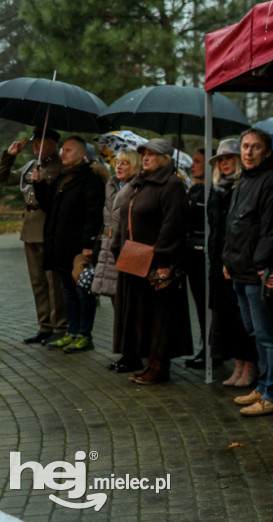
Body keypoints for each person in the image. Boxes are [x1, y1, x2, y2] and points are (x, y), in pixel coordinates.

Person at [223, 128, 273, 415]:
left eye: (255, 147)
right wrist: (228, 260)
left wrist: (260, 266)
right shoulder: (245, 179)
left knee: (267, 335)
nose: (248, 152)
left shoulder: (272, 181)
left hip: (257, 272)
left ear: (266, 151)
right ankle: (265, 386)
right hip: (240, 270)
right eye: (245, 146)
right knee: (255, 332)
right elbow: (236, 226)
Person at [110, 138, 193, 384]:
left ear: (166, 159)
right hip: (134, 258)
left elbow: (173, 226)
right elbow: (125, 217)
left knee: (160, 316)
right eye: (144, 154)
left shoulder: (172, 184)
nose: (145, 158)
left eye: (152, 155)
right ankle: (149, 363)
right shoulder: (140, 184)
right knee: (141, 314)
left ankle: (159, 365)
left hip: (157, 262)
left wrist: (163, 260)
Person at [31, 136, 106, 354]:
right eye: (62, 149)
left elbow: (93, 213)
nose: (63, 153)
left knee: (82, 290)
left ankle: (84, 335)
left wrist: (88, 244)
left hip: (78, 246)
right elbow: (48, 205)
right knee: (67, 291)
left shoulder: (89, 177)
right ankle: (72, 332)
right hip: (60, 244)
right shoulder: (63, 176)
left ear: (82, 154)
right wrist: (38, 184)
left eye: (68, 150)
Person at [0, 127, 65, 344]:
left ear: (53, 144)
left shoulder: (60, 166)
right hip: (30, 228)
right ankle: (44, 326)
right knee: (37, 281)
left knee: (53, 282)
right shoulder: (30, 165)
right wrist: (9, 156)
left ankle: (59, 326)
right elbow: (5, 178)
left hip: (48, 228)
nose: (36, 145)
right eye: (35, 141)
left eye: (41, 141)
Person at [207, 139, 258, 388]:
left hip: (237, 260)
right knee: (227, 317)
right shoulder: (217, 189)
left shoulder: (241, 187)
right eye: (220, 160)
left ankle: (248, 365)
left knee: (241, 318)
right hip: (219, 260)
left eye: (229, 158)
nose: (224, 163)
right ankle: (238, 364)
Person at [92, 149, 143, 372]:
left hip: (129, 250)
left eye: (125, 163)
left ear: (134, 166)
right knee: (117, 305)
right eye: (117, 163)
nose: (119, 167)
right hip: (109, 249)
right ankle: (126, 353)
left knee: (129, 306)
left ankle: (134, 354)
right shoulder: (112, 186)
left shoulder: (138, 187)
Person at [184, 148, 219, 370]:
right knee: (199, 302)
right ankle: (207, 347)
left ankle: (212, 349)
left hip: (207, 251)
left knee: (209, 304)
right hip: (192, 252)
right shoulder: (195, 190)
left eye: (198, 161)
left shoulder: (214, 192)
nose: (192, 165)